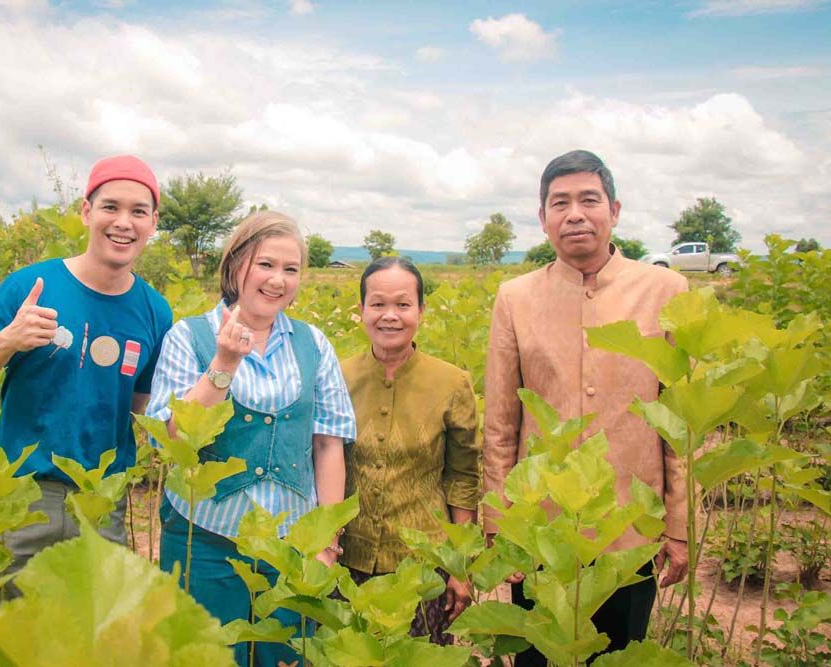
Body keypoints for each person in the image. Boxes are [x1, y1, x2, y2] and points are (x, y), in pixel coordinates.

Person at [0, 155, 172, 664]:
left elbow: (138, 403)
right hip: (24, 492)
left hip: (102, 497)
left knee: (88, 639)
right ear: (85, 210)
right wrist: (7, 340)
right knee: (1, 636)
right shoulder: (31, 285)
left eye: (139, 211)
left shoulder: (155, 310)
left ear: (153, 223)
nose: (123, 222)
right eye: (110, 206)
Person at [483, 149, 689, 664]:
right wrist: (498, 524)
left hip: (630, 531)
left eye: (588, 200)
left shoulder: (666, 291)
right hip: (541, 533)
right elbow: (501, 423)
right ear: (543, 219)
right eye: (560, 203)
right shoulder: (516, 297)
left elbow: (680, 423)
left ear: (614, 211)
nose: (574, 213)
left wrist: (679, 527)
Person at [147, 210, 355, 667]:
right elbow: (173, 437)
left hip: (291, 547)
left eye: (291, 269)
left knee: (284, 658)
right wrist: (223, 363)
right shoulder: (189, 337)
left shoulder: (313, 344)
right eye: (266, 264)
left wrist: (325, 541)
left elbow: (328, 443)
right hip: (205, 540)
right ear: (237, 264)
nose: (277, 280)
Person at [339, 257, 480, 644]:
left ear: (421, 310)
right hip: (348, 559)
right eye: (378, 304)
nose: (390, 316)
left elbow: (464, 476)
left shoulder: (452, 382)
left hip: (423, 566)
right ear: (361, 310)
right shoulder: (335, 375)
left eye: (403, 305)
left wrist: (458, 565)